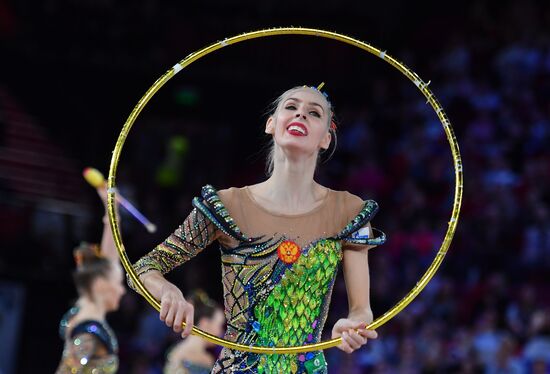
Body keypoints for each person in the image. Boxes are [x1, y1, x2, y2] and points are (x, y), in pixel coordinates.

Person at [129, 85, 386, 373]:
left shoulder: (350, 212)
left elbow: (362, 309)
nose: (301, 113)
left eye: (314, 113)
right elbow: (143, 267)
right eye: (291, 107)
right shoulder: (226, 205)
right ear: (271, 124)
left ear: (326, 139)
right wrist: (167, 291)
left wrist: (353, 322)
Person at [56, 187, 126, 373]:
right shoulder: (89, 330)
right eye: (118, 284)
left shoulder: (84, 308)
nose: (122, 290)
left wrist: (111, 209)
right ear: (101, 285)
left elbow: (110, 262)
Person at [164, 290, 226, 374]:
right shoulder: (202, 359)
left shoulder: (174, 351)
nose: (221, 332)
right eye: (219, 325)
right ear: (205, 324)